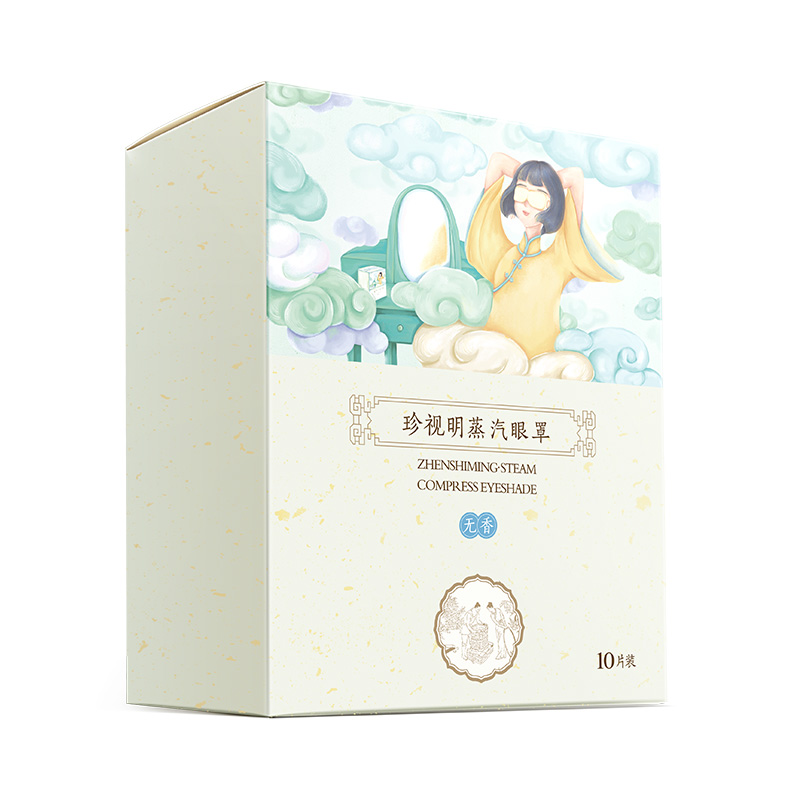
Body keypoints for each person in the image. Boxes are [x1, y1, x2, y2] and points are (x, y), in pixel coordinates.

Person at [465, 153, 621, 359]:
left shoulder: (559, 259)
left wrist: (549, 179)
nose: (526, 203)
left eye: (538, 197)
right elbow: (498, 162)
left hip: (539, 361)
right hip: (491, 354)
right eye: (521, 191)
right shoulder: (501, 251)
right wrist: (531, 174)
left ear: (551, 203)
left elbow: (575, 176)